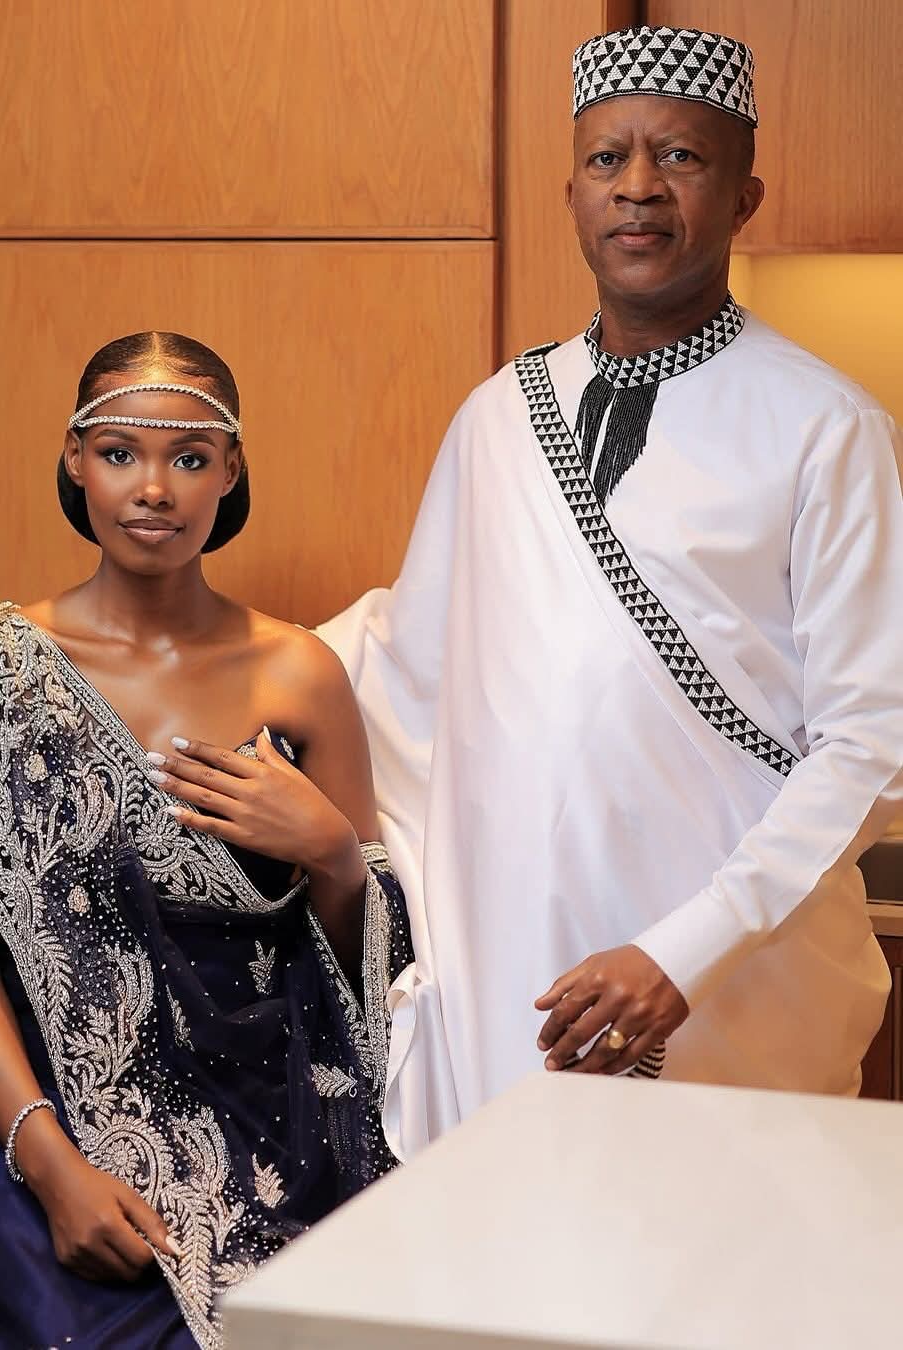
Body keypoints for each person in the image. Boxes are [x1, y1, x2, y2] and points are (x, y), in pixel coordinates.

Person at [320, 25, 903, 1158]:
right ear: (573, 193)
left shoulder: (827, 427)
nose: (638, 187)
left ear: (744, 198)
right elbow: (411, 662)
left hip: (737, 985)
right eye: (607, 158)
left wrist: (684, 953)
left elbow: (870, 740)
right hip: (513, 971)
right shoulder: (498, 416)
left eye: (680, 156)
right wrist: (201, 670)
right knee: (511, 1253)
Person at [0, 332, 412, 1349]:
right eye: (119, 453)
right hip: (40, 1102)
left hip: (269, 1119)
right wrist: (50, 1164)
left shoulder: (300, 675)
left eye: (189, 457)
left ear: (230, 470)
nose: (153, 489)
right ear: (74, 458)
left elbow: (369, 967)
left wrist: (327, 850)